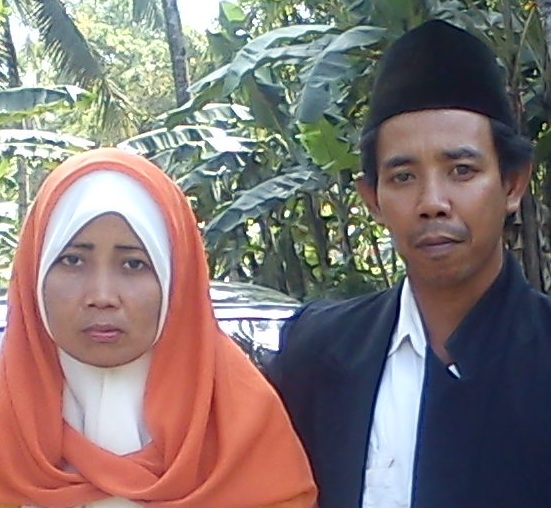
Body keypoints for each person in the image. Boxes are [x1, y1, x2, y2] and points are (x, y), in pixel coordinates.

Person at [264, 19, 551, 508]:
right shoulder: (316, 352)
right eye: (403, 177)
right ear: (373, 199)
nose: (432, 202)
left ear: (512, 184)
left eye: (462, 170)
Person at [0, 147, 317, 507]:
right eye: (72, 260)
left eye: (134, 264)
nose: (102, 296)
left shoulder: (242, 425)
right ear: (35, 273)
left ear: (175, 279)